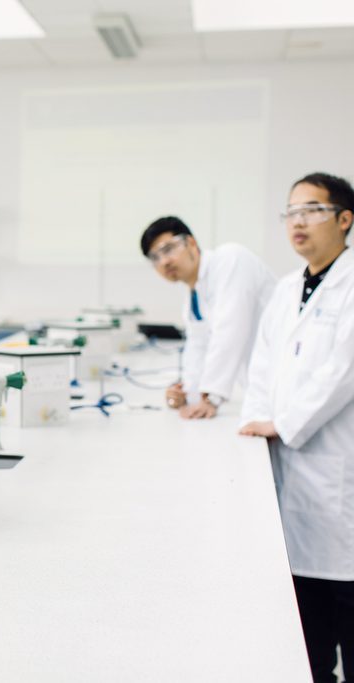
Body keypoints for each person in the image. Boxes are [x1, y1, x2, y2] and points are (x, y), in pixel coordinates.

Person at [239, 172, 354, 683]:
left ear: (345, 220)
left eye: (311, 210)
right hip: (291, 477)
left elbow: (341, 372)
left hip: (338, 473)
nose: (298, 222)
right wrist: (255, 421)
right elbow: (261, 367)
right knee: (306, 638)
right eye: (290, 213)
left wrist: (281, 424)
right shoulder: (287, 289)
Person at [139, 216, 275, 419]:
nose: (164, 261)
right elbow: (198, 347)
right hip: (262, 393)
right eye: (155, 258)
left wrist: (211, 398)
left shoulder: (230, 259)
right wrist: (187, 392)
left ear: (191, 243)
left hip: (283, 385)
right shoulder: (193, 298)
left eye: (168, 249)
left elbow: (230, 331)